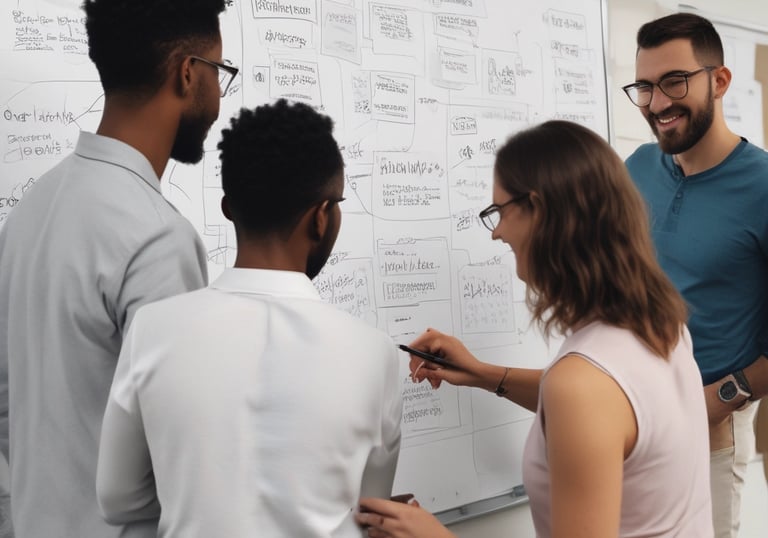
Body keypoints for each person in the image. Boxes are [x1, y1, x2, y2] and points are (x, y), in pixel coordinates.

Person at [354, 120, 713, 538]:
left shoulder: (581, 384)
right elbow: (615, 407)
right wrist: (484, 375)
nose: (497, 233)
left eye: (499, 211)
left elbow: (587, 397)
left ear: (539, 211)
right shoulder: (660, 327)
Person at [95, 99, 403, 536]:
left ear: (228, 208)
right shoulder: (376, 352)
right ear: (321, 218)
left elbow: (118, 498)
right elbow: (372, 509)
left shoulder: (152, 328)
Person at [0, 1, 234, 536]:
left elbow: (4, 406)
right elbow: (181, 457)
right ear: (188, 72)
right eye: (220, 73)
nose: (220, 97)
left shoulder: (29, 213)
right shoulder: (156, 238)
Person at [620, 13, 768, 537]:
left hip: (708, 430)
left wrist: (720, 398)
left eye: (675, 82)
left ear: (719, 81)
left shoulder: (764, 187)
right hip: (623, 420)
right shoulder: (634, 167)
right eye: (645, 86)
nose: (658, 103)